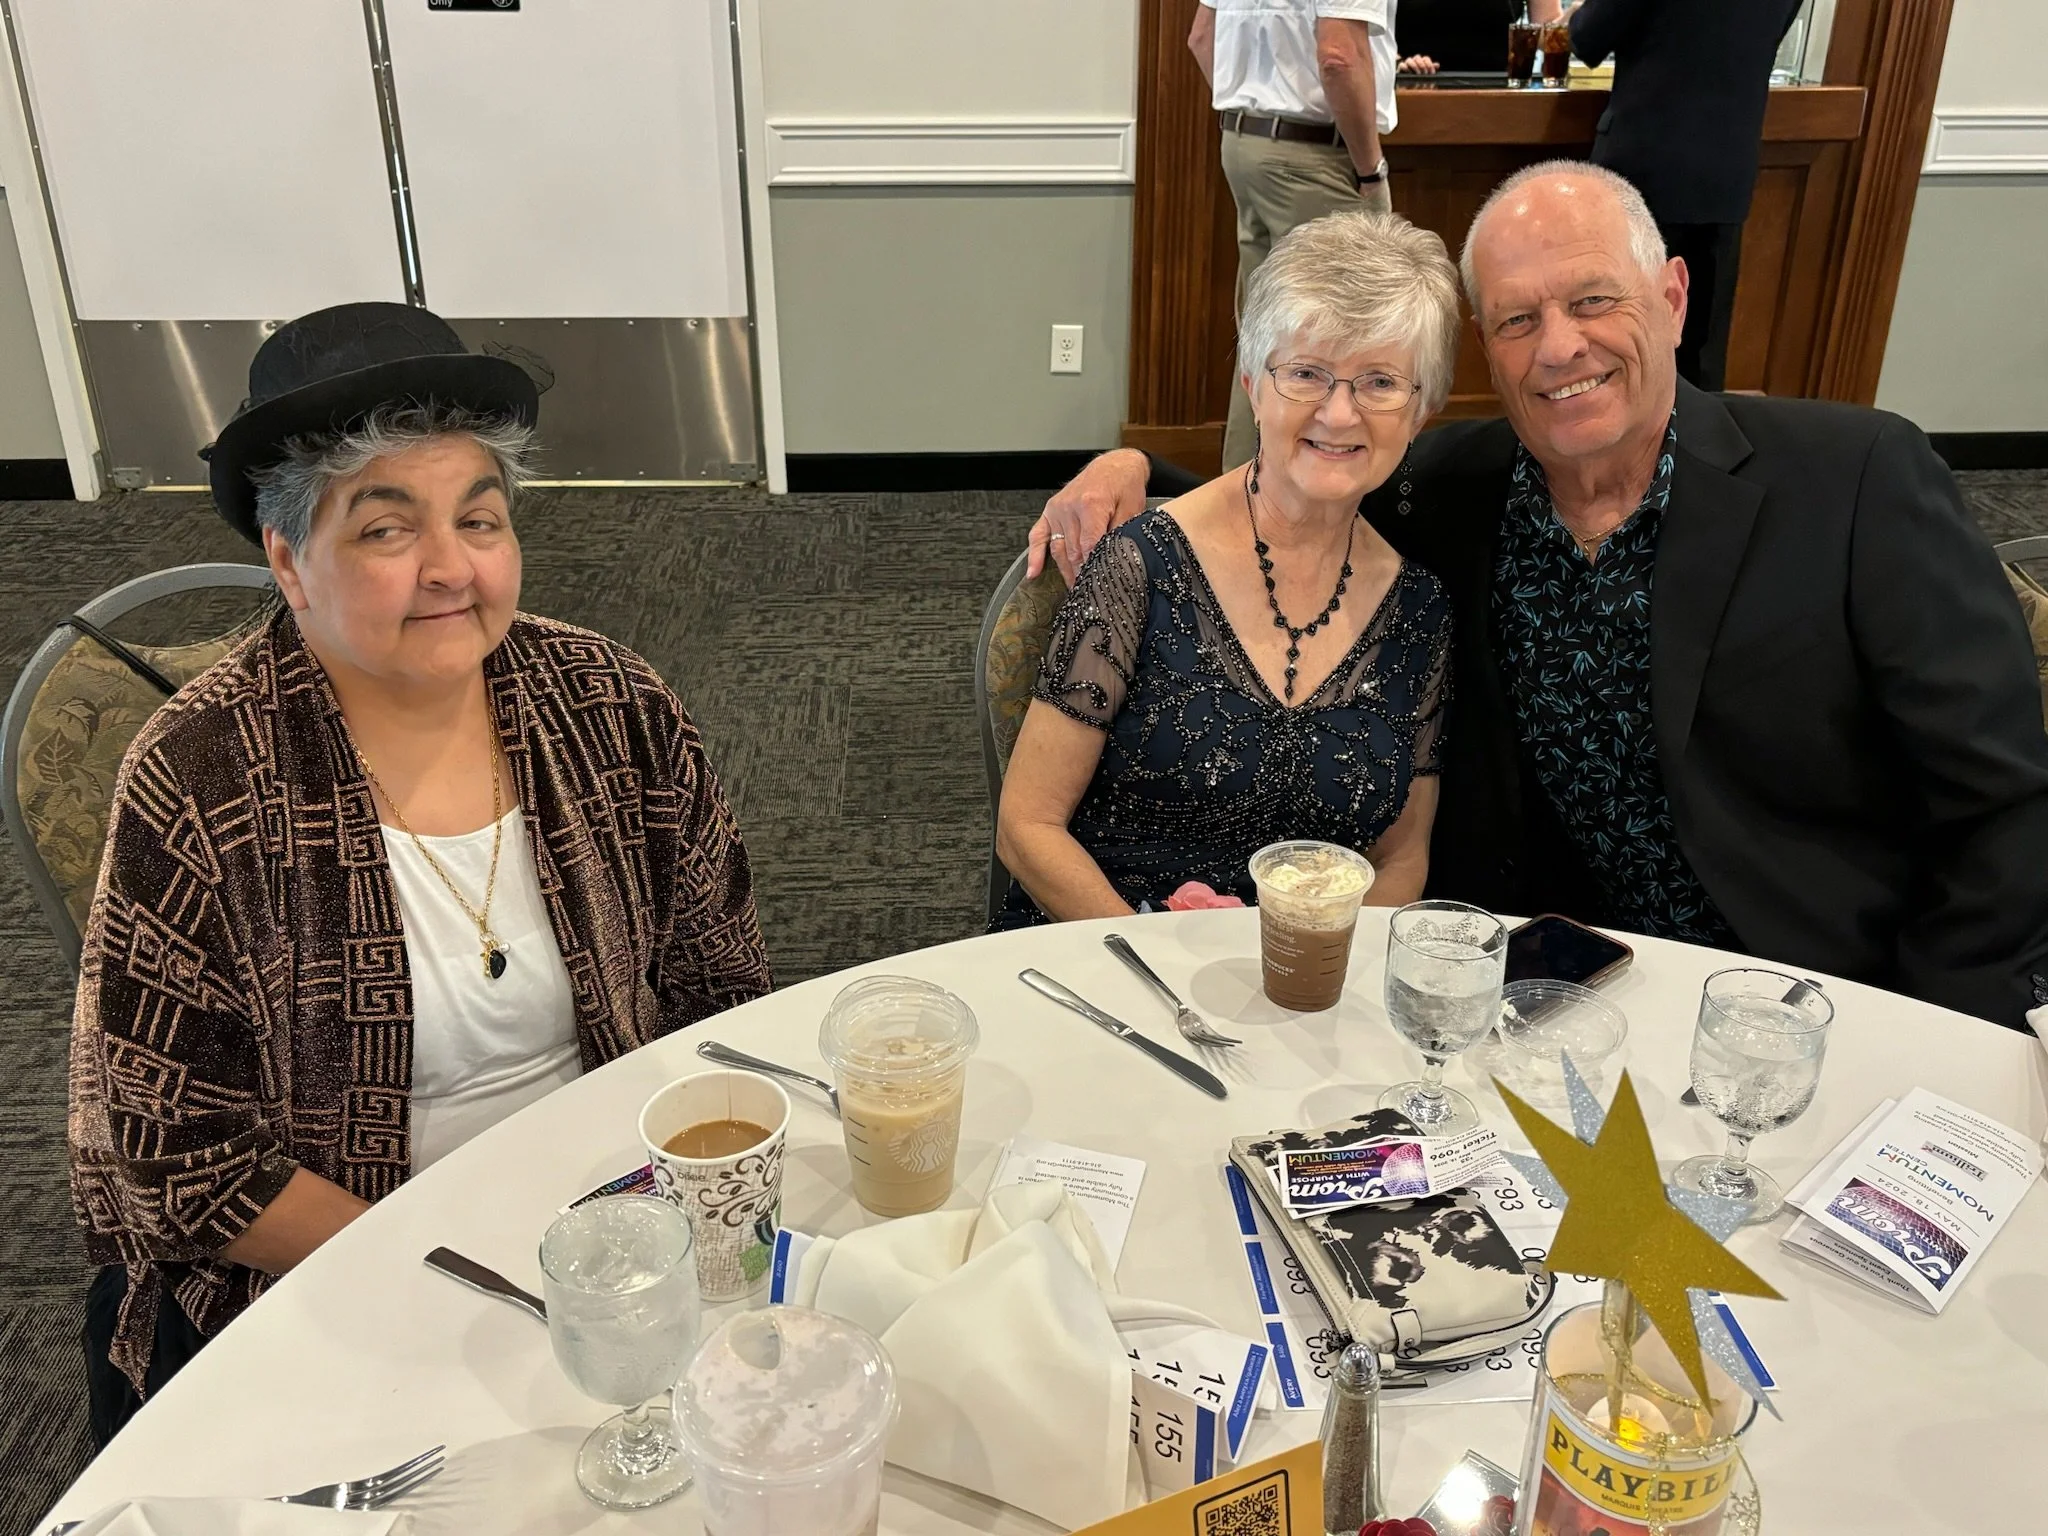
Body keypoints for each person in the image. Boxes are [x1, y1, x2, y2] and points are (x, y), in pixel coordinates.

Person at [1028, 163, 2048, 1028]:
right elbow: (1306, 465)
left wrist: (1938, 1036)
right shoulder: (1456, 498)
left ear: (1673, 296)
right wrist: (1132, 465)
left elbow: (2002, 801)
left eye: (1591, 300)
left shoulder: (1856, 477)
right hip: (1545, 987)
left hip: (1816, 993)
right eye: (1517, 319)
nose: (1557, 346)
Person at [69, 302, 773, 1443]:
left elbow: (719, 983)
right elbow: (179, 1162)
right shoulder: (200, 775)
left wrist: (652, 1234)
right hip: (343, 1261)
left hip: (622, 1226)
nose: (452, 569)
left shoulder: (608, 701)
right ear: (291, 562)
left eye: (480, 519)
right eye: (387, 531)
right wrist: (460, 1263)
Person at [996, 212, 1459, 926]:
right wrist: (1155, 970)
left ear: (1422, 409)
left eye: (1379, 382)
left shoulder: (1421, 611)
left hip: (1305, 987)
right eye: (1306, 373)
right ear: (1252, 382)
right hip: (1106, 957)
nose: (1338, 414)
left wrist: (1323, 973)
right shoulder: (1141, 566)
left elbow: (1401, 858)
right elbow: (1028, 827)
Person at [1551, 0, 1808, 389]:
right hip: (1726, 170)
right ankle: (1695, 447)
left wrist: (1572, 16)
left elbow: (1585, 38)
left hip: (1644, 165)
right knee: (1701, 350)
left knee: (1614, 338)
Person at [1193, 0, 1404, 469]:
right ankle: (1307, 506)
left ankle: (1242, 497)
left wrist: (1257, 118)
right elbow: (1338, 56)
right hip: (1315, 156)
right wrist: (1371, 171)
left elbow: (1201, 38)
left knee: (1266, 333)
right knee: (1335, 342)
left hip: (1243, 142)